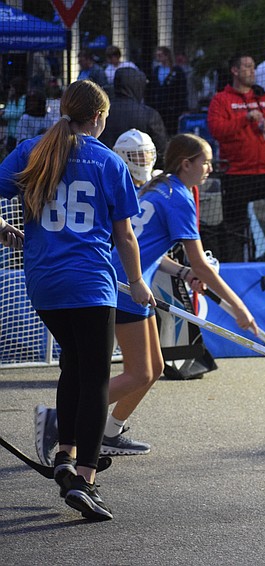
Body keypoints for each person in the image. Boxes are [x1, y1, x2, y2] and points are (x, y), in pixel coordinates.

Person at [35, 134, 259, 460]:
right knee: (139, 372)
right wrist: (239, 307)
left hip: (126, 280)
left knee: (152, 369)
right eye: (206, 161)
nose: (210, 168)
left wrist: (182, 273)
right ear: (186, 164)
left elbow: (147, 247)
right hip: (124, 286)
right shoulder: (179, 197)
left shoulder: (158, 187)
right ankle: (62, 420)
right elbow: (201, 264)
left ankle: (109, 432)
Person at [0, 80, 154, 521]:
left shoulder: (33, 148)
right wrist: (139, 283)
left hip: (44, 285)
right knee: (96, 379)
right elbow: (125, 235)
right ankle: (83, 478)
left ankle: (65, 453)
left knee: (74, 364)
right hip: (90, 286)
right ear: (100, 118)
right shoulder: (108, 161)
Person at [207, 54, 265, 262]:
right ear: (235, 70)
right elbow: (217, 130)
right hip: (237, 175)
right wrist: (244, 119)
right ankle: (234, 272)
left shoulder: (264, 97)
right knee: (234, 230)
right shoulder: (221, 99)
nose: (253, 71)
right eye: (248, 67)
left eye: (253, 67)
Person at [99, 67, 169, 158]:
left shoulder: (102, 112)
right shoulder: (149, 115)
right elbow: (162, 149)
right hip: (141, 169)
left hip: (105, 167)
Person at [147, 46, 188, 135]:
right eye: (157, 55)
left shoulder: (177, 71)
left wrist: (181, 107)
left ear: (167, 56)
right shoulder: (156, 70)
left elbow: (182, 90)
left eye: (160, 55)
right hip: (158, 107)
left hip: (172, 110)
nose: (158, 57)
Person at [1, 77, 27, 154]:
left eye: (12, 87)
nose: (11, 89)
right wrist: (4, 113)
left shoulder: (23, 98)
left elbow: (19, 112)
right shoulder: (11, 99)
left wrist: (4, 113)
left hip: (18, 134)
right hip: (10, 134)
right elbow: (7, 112)